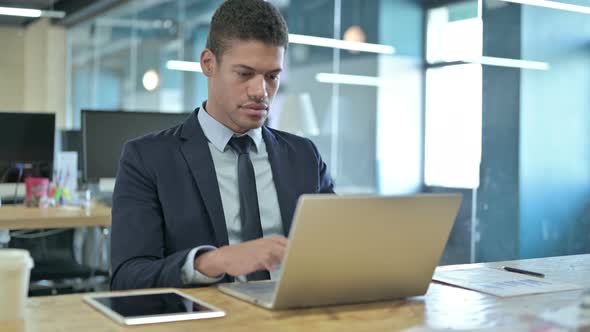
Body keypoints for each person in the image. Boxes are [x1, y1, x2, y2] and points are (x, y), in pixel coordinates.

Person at [111, 0, 334, 290]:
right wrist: (214, 262)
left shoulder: (304, 155)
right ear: (208, 64)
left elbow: (337, 249)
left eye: (272, 76)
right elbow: (127, 278)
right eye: (244, 74)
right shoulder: (147, 158)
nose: (260, 91)